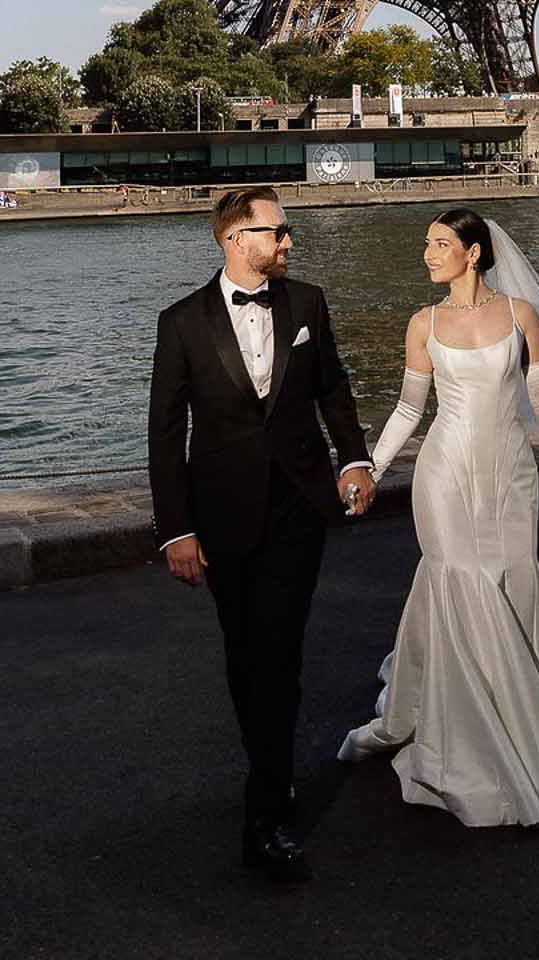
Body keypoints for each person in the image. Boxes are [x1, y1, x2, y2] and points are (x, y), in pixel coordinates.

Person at [338, 208, 539, 827]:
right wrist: (373, 471)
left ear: (473, 253)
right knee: (460, 577)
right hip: (444, 472)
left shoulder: (523, 317)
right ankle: (470, 728)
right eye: (426, 244)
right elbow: (408, 412)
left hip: (512, 471)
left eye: (440, 244)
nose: (427, 253)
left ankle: (517, 678)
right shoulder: (423, 324)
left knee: (514, 577)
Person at [148, 186, 374, 884]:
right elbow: (164, 433)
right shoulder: (180, 321)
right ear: (233, 238)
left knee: (277, 650)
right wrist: (175, 530)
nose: (287, 242)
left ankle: (264, 814)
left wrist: (355, 459)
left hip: (297, 509)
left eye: (285, 232)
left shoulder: (306, 304)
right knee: (246, 653)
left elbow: (331, 389)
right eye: (276, 232)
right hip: (219, 516)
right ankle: (271, 770)